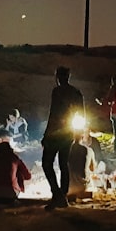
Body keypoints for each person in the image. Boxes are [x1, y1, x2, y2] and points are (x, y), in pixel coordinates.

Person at [42, 66, 85, 210]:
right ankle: (63, 195)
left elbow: (53, 114)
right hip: (68, 133)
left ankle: (57, 194)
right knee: (63, 164)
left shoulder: (57, 91)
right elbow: (81, 115)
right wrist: (77, 133)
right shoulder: (76, 93)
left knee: (47, 163)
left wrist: (46, 134)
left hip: (55, 133)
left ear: (58, 77)